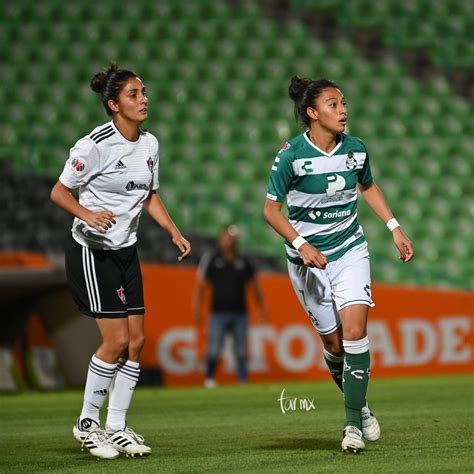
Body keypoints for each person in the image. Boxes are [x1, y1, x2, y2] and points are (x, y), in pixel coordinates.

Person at [263, 76, 414, 453]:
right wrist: (301, 244)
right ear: (312, 113)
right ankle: (359, 404)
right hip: (306, 260)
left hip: (349, 250)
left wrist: (394, 227)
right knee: (332, 343)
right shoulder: (291, 156)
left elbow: (368, 186)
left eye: (343, 102)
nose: (343, 109)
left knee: (355, 329)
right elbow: (270, 211)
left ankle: (351, 425)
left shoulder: (357, 150)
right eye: (333, 104)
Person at [50, 64, 191, 459]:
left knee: (137, 342)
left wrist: (173, 231)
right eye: (133, 94)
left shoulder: (150, 145)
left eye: (144, 92)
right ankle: (87, 424)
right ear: (113, 105)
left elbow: (149, 195)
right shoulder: (93, 146)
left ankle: (117, 426)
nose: (143, 99)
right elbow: (59, 193)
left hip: (126, 250)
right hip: (93, 252)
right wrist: (87, 214)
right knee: (115, 341)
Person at [193, 225, 265, 387]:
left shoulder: (244, 261)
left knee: (240, 351)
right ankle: (209, 379)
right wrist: (197, 309)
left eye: (231, 237)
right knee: (214, 349)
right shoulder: (212, 258)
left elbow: (255, 287)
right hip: (218, 313)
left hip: (240, 313)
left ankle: (242, 380)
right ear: (220, 238)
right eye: (225, 237)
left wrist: (261, 309)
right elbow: (200, 286)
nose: (228, 241)